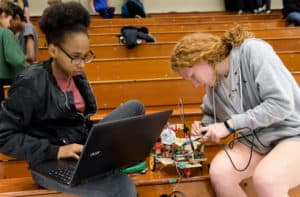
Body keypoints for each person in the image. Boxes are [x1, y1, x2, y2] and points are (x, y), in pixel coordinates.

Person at [0, 2, 144, 197]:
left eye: (86, 57)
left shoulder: (75, 74)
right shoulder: (31, 82)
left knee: (135, 108)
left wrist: (100, 142)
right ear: (53, 51)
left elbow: (75, 120)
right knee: (122, 185)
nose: (82, 65)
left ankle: (105, 161)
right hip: (49, 163)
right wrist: (55, 151)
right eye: (76, 57)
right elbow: (4, 135)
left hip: (81, 149)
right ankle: (104, 166)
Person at [170, 25, 300, 196]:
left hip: (293, 133)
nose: (195, 84)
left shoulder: (253, 51)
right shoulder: (214, 82)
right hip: (259, 139)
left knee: (268, 178)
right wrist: (204, 126)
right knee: (220, 172)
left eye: (192, 75)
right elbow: (212, 115)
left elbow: (281, 104)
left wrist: (230, 125)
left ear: (202, 57)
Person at [0, 1, 28, 103]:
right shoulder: (6, 33)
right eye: (9, 20)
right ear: (3, 15)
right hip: (4, 83)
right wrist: (31, 69)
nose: (10, 25)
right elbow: (15, 60)